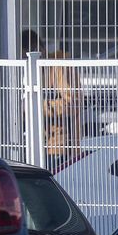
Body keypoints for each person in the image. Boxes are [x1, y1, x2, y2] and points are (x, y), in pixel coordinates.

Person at [22, 30, 81, 170]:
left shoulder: (58, 67)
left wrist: (35, 107)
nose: (22, 61)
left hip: (58, 144)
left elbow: (72, 102)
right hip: (32, 141)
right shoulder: (24, 72)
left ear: (38, 48)